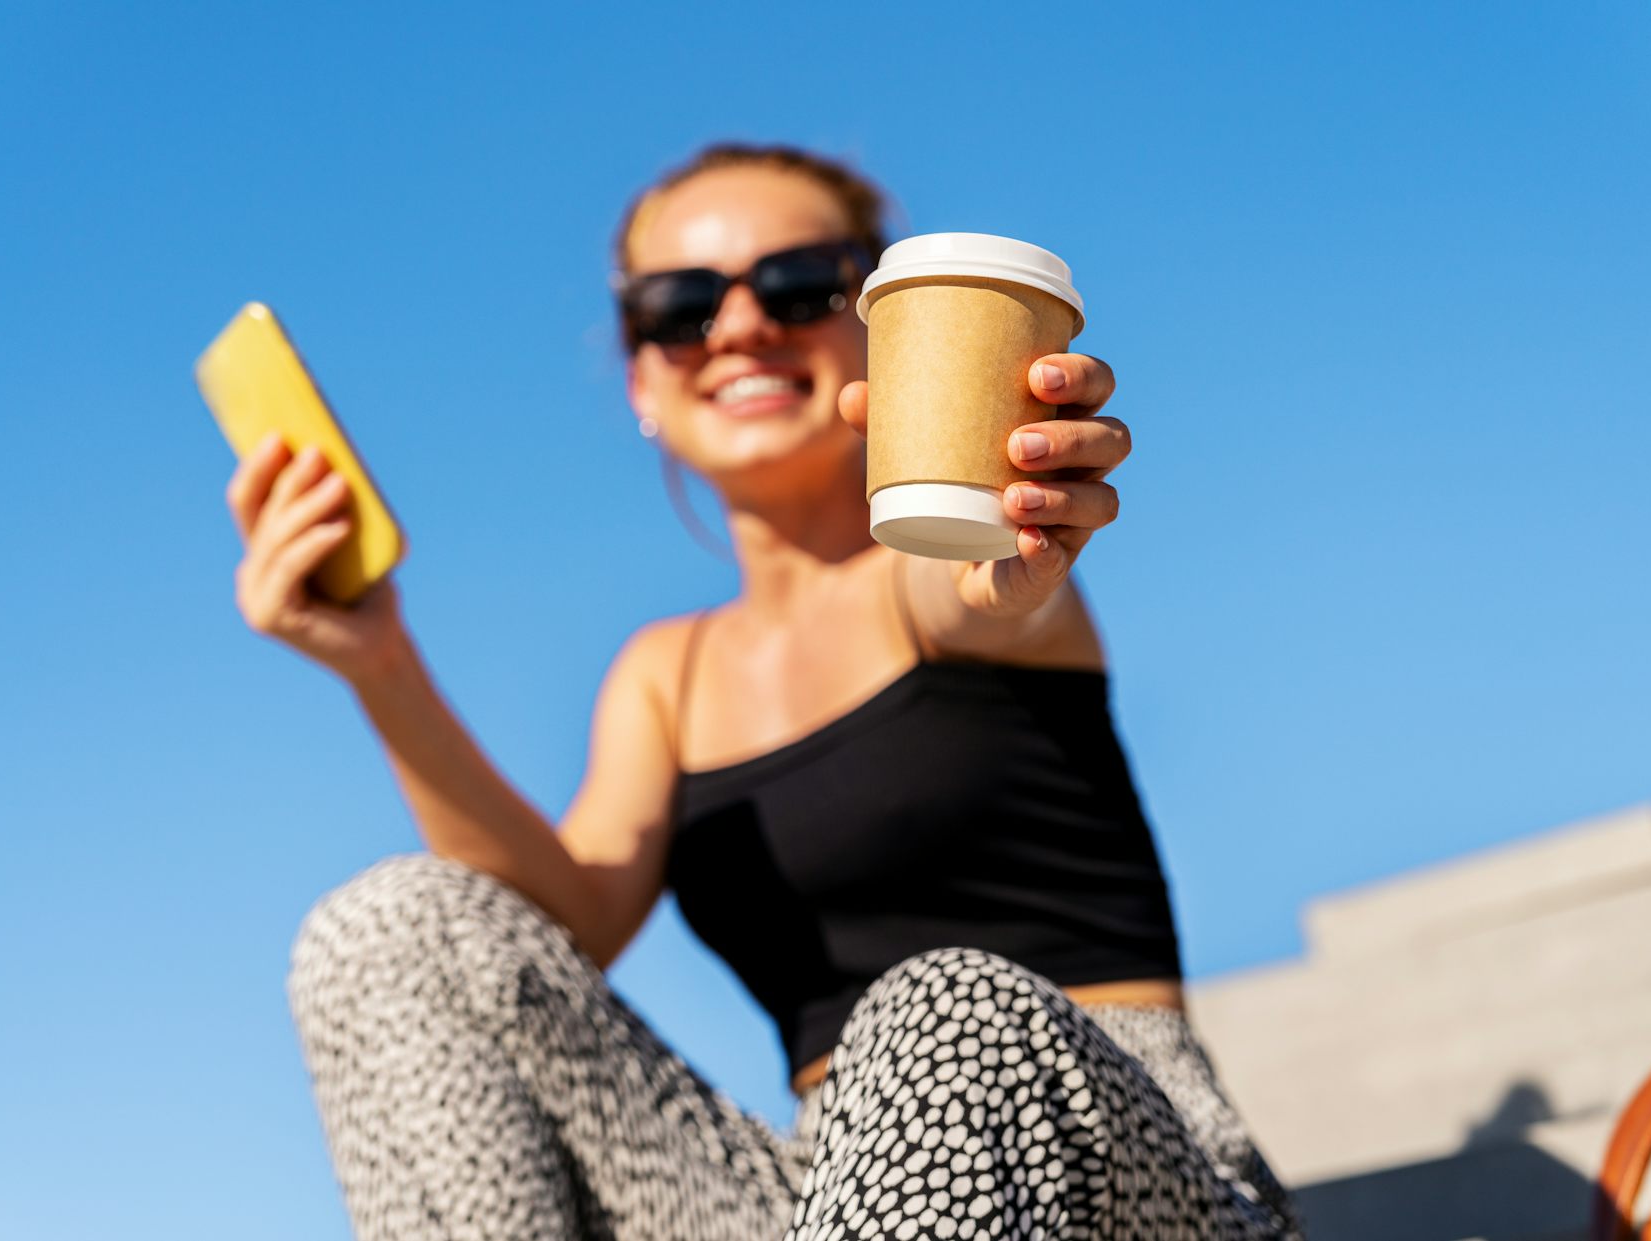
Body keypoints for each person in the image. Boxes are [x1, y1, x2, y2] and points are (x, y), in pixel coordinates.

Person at [230, 141, 1305, 1240]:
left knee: (942, 1007)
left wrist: (1009, 537)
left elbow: (986, 600)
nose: (740, 326)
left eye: (797, 286)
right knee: (386, 928)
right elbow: (545, 937)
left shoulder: (932, 580)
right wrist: (379, 661)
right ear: (644, 378)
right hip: (828, 1197)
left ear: (883, 328)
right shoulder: (665, 676)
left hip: (1131, 1165)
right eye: (682, 306)